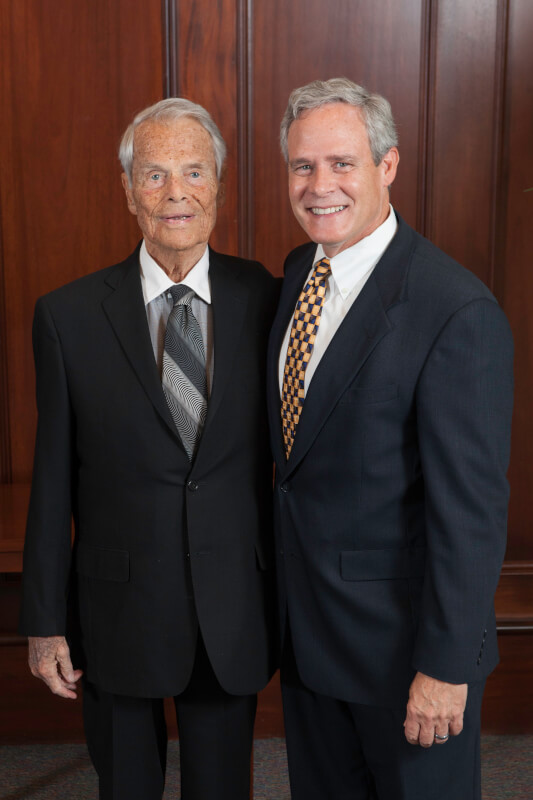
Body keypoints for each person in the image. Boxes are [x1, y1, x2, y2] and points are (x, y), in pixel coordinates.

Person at [20, 97, 278, 800]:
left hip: (232, 607)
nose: (176, 193)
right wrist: (43, 622)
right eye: (155, 174)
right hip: (115, 611)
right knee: (126, 789)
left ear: (218, 186)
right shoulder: (67, 317)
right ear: (129, 189)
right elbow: (52, 480)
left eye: (194, 172)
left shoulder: (267, 298)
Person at [267, 77, 513, 800]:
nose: (320, 186)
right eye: (302, 166)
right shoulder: (296, 275)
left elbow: (470, 514)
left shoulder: (454, 309)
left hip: (407, 665)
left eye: (341, 163)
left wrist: (445, 669)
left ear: (387, 166)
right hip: (310, 646)